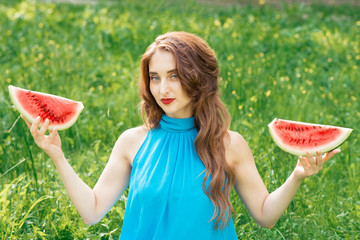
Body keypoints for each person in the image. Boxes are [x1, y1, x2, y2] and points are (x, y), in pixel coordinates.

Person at [23, 31, 340, 239]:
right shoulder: (131, 142)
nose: (162, 89)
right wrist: (57, 155)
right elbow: (92, 211)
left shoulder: (230, 145)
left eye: (174, 76)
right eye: (155, 77)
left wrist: (298, 175)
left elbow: (265, 216)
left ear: (198, 78)